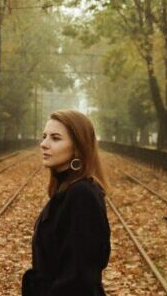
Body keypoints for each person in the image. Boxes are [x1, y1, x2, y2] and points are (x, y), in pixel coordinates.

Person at [22, 109, 111, 296]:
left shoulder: (82, 195)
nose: (44, 144)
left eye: (55, 138)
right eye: (44, 136)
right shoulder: (67, 190)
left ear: (78, 147)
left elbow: (79, 279)